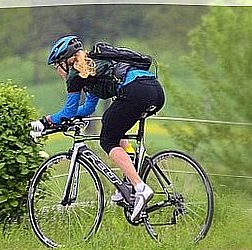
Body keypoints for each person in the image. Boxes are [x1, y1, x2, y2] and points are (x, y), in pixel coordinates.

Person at [30, 35, 165, 222]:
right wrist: (65, 119)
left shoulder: (75, 75)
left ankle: (140, 187)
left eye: (56, 66)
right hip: (155, 91)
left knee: (107, 138)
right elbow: (87, 108)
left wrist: (45, 122)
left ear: (66, 61)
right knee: (116, 132)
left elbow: (68, 111)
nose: (57, 71)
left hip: (135, 91)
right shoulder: (90, 67)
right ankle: (129, 184)